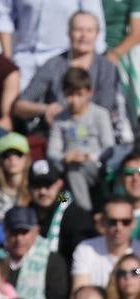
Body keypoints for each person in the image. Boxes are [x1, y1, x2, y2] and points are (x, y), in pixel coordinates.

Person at [12, 10, 128, 143]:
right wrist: (46, 109)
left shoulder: (107, 68)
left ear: (97, 35)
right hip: (54, 135)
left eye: (89, 31)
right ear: (69, 33)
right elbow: (20, 106)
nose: (84, 36)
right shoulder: (53, 65)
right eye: (78, 30)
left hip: (94, 138)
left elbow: (105, 107)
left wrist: (67, 112)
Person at [0, 0, 107, 90]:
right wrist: (8, 61)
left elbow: (94, 23)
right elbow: (4, 14)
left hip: (63, 61)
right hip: (24, 59)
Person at [47, 67, 115, 211]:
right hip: (68, 168)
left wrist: (88, 156)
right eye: (69, 95)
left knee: (74, 171)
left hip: (95, 169)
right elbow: (52, 151)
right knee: (59, 184)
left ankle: (83, 213)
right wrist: (65, 157)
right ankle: (61, 211)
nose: (74, 100)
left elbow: (109, 147)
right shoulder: (60, 119)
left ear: (89, 93)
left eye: (79, 94)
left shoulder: (100, 114)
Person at [3, 206, 70, 299]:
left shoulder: (52, 260)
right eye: (14, 232)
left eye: (24, 232)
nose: (19, 239)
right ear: (5, 231)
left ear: (36, 231)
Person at [28, 158, 96, 266]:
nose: (42, 191)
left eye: (48, 185)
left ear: (59, 184)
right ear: (29, 188)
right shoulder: (26, 214)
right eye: (37, 186)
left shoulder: (75, 214)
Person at [71, 198, 140, 290]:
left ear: (133, 222)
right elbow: (81, 295)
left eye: (125, 222)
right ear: (102, 221)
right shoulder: (86, 249)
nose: (118, 227)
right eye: (112, 222)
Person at [0, 132, 31, 223]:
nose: (12, 159)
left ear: (27, 158)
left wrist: (61, 199)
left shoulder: (38, 185)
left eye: (18, 154)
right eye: (6, 155)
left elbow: (62, 199)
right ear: (0, 160)